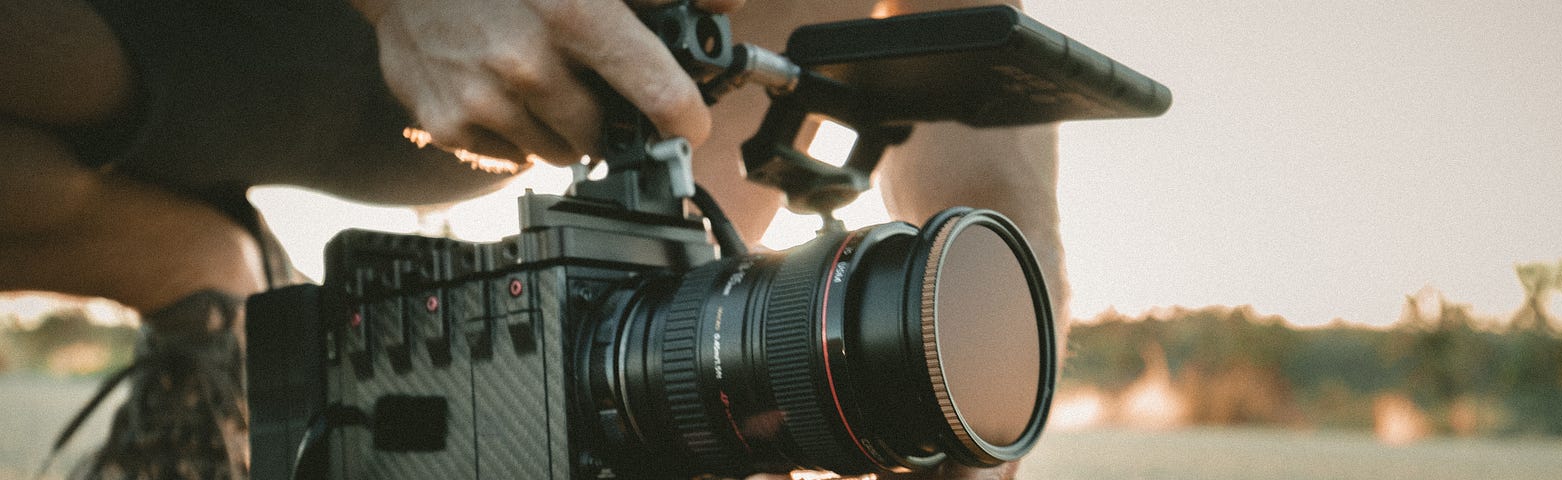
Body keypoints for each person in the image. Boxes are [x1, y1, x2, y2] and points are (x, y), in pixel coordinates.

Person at [0, 0, 1065, 478]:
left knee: (648, 391)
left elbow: (979, 127)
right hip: (152, 27)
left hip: (563, 83)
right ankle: (202, 280)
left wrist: (978, 386)